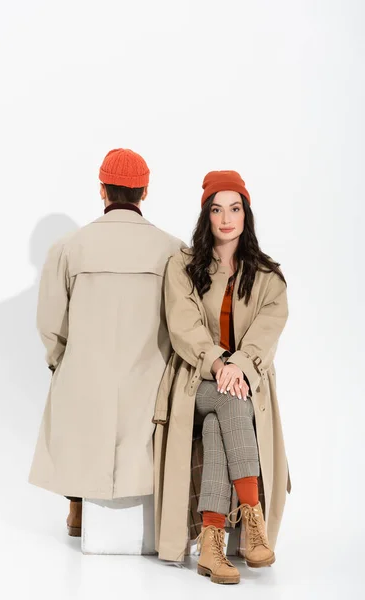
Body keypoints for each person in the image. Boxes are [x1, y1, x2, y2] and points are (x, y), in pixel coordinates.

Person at [29, 148, 185, 537]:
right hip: (150, 382)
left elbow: (50, 325)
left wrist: (62, 361)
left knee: (73, 393)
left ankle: (77, 502)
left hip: (86, 381)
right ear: (144, 193)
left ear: (102, 190)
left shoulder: (68, 247)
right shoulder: (173, 249)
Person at [152, 170, 290, 584]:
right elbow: (184, 327)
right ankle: (253, 519)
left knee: (219, 423)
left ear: (245, 213)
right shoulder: (184, 265)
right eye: (217, 209)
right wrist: (219, 365)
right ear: (206, 215)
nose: (226, 218)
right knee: (229, 400)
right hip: (194, 383)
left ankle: (212, 544)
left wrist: (238, 367)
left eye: (234, 208)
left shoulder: (268, 276)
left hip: (240, 386)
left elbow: (265, 335)